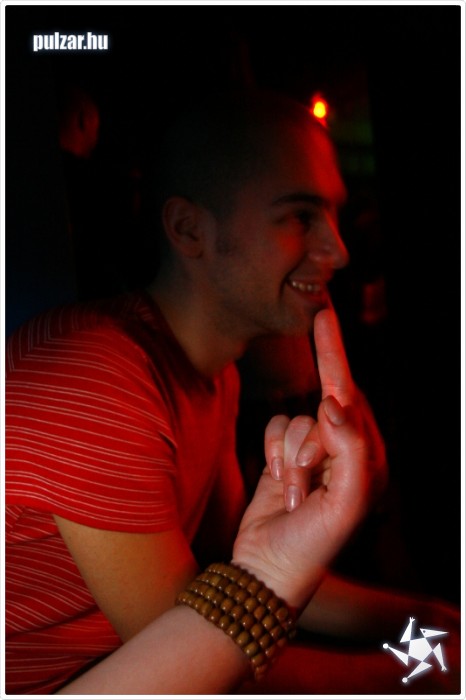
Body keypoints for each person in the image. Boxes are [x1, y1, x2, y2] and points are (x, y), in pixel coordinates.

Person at [5, 91, 460, 695]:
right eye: (300, 216)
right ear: (189, 229)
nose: (338, 250)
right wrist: (420, 670)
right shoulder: (97, 375)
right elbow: (203, 661)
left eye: (333, 214)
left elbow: (232, 578)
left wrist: (423, 620)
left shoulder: (216, 373)